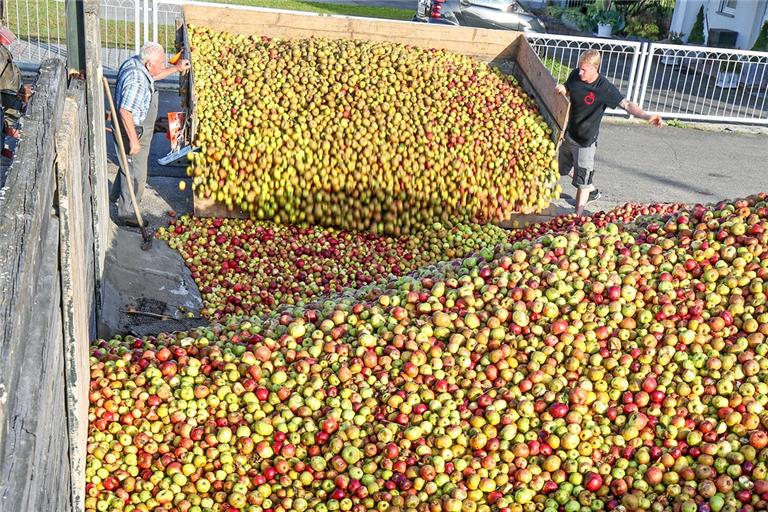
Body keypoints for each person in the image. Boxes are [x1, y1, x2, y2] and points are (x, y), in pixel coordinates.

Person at [556, 49, 662, 216]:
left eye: (584, 69)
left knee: (582, 181)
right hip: (569, 135)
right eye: (579, 67)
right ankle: (591, 188)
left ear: (595, 68)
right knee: (561, 169)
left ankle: (578, 215)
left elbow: (626, 105)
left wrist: (646, 115)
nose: (580, 71)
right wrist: (564, 88)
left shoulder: (604, 88)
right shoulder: (576, 75)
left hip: (585, 142)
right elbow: (570, 88)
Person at [111, 41, 189, 226]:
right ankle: (127, 213)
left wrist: (175, 69)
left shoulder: (137, 63)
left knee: (127, 164)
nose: (164, 65)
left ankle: (115, 196)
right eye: (161, 63)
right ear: (148, 64)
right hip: (133, 128)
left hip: (137, 124)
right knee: (136, 172)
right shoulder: (136, 81)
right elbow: (125, 111)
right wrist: (133, 140)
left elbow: (154, 75)